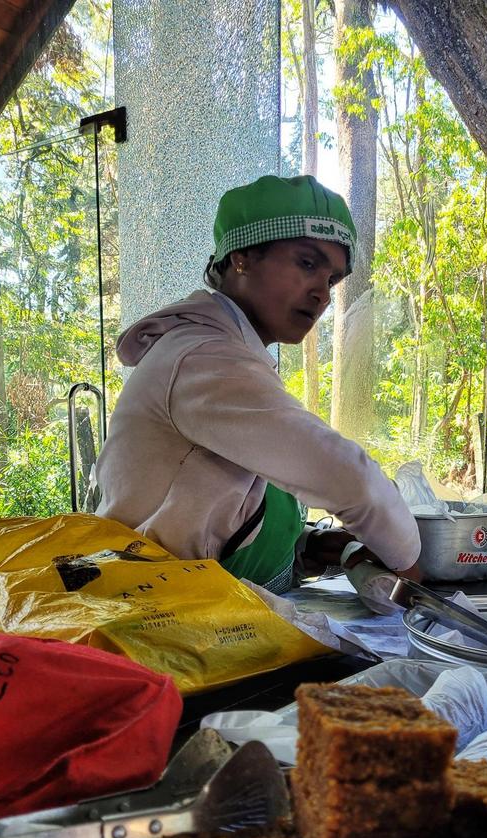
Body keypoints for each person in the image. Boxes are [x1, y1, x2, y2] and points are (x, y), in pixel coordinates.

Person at [95, 174, 421, 594]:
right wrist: (411, 564)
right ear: (242, 257)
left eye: (332, 280)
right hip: (157, 616)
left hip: (194, 605)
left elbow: (212, 513)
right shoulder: (203, 357)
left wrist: (307, 547)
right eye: (307, 263)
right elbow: (348, 478)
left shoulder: (233, 356)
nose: (321, 293)